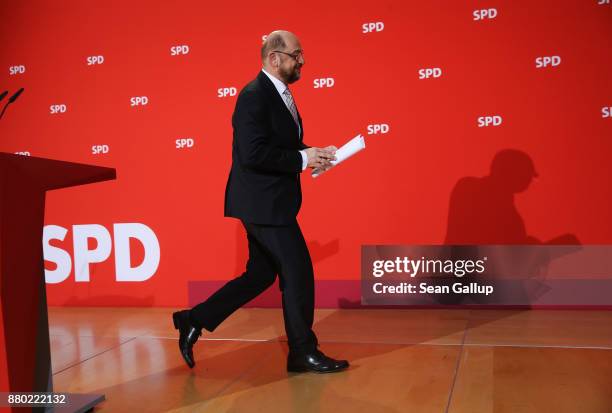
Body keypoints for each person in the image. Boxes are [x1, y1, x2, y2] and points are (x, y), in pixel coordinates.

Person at [172, 30, 349, 374]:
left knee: (260, 275)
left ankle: (193, 319)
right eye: (296, 55)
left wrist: (314, 155)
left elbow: (278, 143)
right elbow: (253, 153)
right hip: (262, 203)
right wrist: (302, 160)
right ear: (274, 58)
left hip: (269, 201)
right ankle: (302, 352)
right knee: (297, 271)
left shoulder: (278, 94)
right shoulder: (254, 96)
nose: (302, 61)